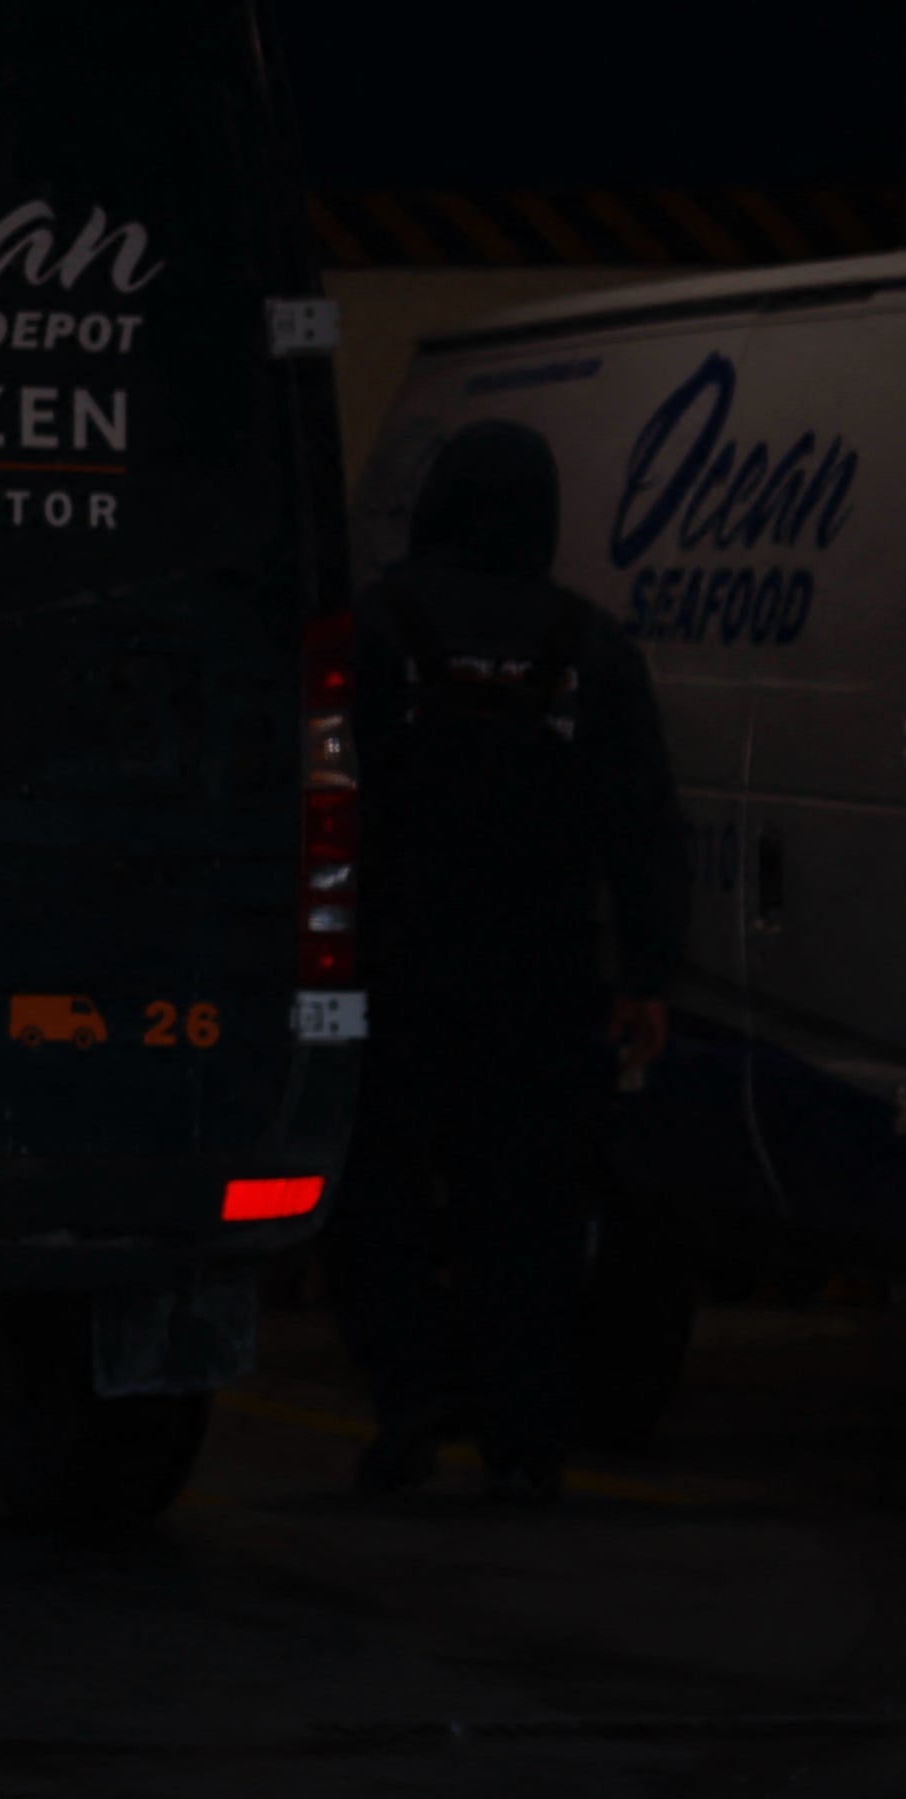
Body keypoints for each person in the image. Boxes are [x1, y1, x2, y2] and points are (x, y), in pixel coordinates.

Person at [332, 420, 688, 1506]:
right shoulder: (590, 646)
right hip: (539, 985)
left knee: (381, 1199)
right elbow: (643, 820)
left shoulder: (375, 629)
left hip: (391, 977)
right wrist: (648, 975)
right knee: (525, 1215)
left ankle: (408, 1403)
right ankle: (524, 1435)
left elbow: (318, 796)